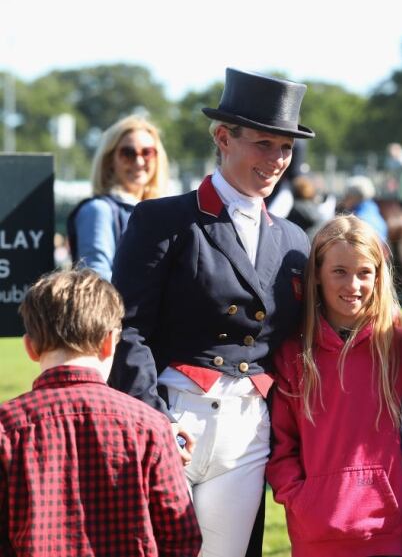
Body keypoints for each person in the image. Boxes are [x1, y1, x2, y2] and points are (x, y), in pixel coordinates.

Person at [108, 68, 314, 557]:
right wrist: (152, 419)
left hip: (248, 429)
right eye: (264, 144)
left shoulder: (293, 238)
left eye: (285, 148)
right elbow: (128, 328)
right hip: (175, 415)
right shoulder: (164, 219)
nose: (277, 159)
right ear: (224, 137)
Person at [0, 268, 201, 556]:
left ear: (30, 348)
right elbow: (181, 537)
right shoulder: (150, 427)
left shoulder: (7, 429)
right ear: (110, 343)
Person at [266, 215, 402, 557]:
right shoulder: (293, 354)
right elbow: (280, 445)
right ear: (316, 275)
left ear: (378, 275)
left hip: (387, 530)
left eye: (364, 273)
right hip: (315, 533)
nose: (353, 285)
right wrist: (303, 501)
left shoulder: (399, 345)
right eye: (339, 272)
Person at [70, 114, 169, 280]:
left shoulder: (164, 211)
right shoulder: (98, 210)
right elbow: (96, 282)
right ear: (110, 160)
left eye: (147, 152)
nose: (138, 162)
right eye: (127, 153)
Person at [340, 175, 389, 241]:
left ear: (355, 197)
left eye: (347, 196)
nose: (344, 199)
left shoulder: (358, 219)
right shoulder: (374, 208)